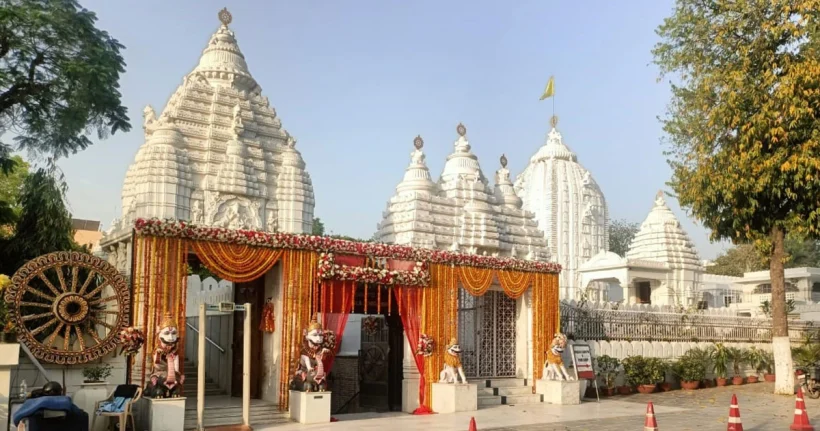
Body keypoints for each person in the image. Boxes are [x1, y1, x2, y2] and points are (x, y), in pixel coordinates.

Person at [13, 382, 88, 431]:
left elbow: (18, 418)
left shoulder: (31, 407)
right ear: (60, 392)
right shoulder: (69, 405)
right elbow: (82, 416)